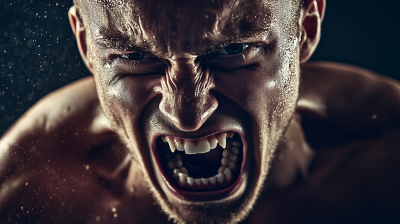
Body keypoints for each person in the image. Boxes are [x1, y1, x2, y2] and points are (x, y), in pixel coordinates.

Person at [1, 0, 399, 223]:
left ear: (305, 29)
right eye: (134, 56)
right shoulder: (26, 190)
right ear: (87, 45)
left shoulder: (384, 155)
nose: (187, 116)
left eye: (233, 50)